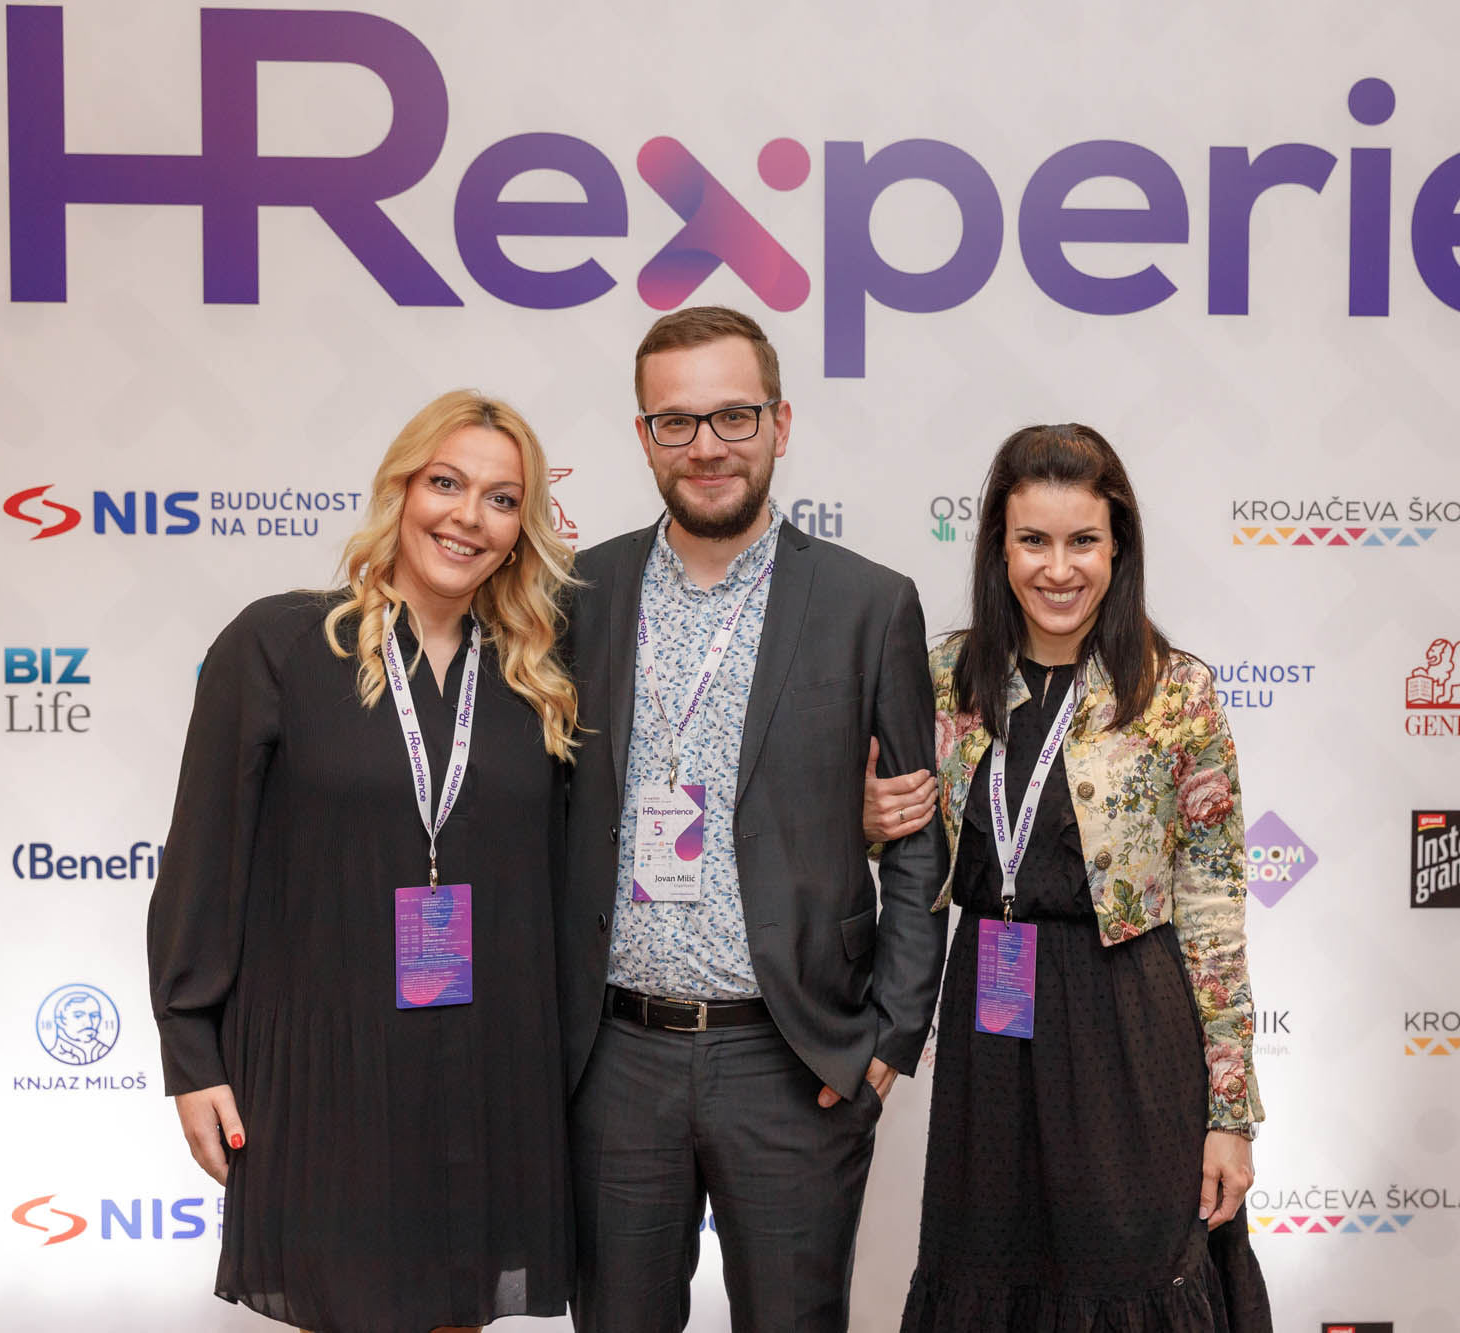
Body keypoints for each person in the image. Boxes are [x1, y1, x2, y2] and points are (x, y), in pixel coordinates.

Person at [147, 391, 578, 1332]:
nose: (469, 517)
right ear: (400, 489)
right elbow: (202, 868)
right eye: (446, 483)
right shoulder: (279, 644)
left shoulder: (537, 676)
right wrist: (192, 1058)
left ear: (523, 528)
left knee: (462, 1310)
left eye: (502, 499)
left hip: (488, 1062)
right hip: (328, 1065)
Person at [555, 306, 949, 1332]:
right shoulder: (576, 595)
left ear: (781, 422)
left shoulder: (869, 604)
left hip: (791, 1056)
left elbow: (917, 839)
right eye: (676, 422)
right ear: (644, 437)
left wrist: (892, 1032)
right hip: (615, 1059)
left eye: (734, 415)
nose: (707, 446)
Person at [866, 423, 1273, 1331]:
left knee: (1129, 1278)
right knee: (988, 1276)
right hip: (990, 1029)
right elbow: (902, 849)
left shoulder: (1177, 692)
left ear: (1118, 546)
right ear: (999, 547)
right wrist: (866, 824)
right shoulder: (944, 679)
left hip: (1128, 1026)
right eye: (1034, 541)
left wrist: (1230, 1114)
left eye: (1083, 540)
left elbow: (1213, 912)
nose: (1059, 568)